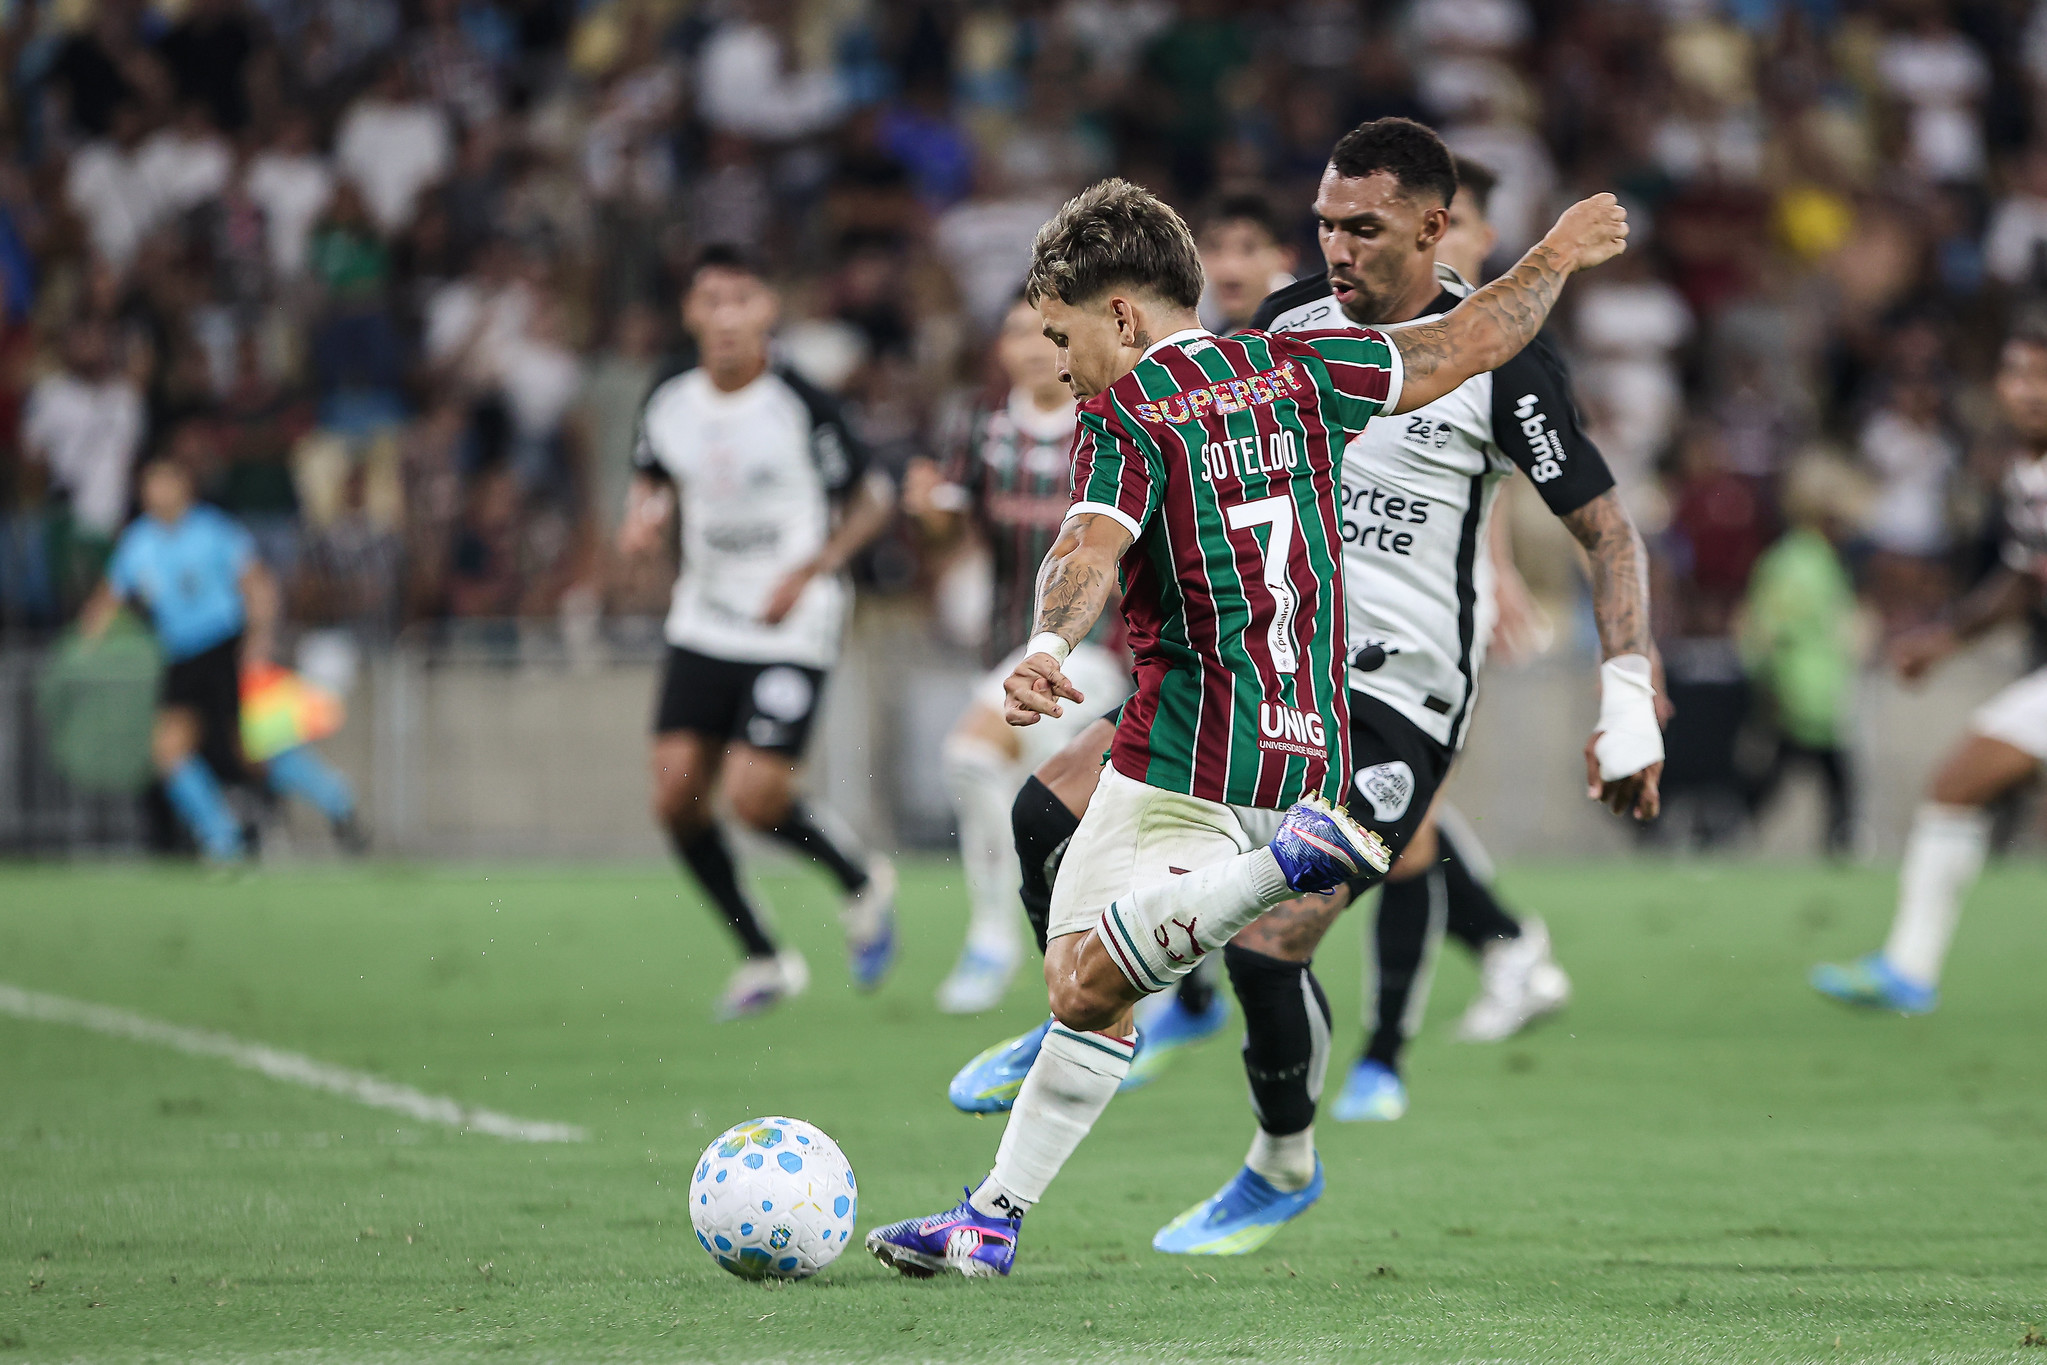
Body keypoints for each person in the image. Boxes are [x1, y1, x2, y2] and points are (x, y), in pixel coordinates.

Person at [867, 167, 1632, 1278]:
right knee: (1082, 980)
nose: (1057, 360)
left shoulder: (1122, 412)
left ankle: (1269, 884)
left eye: (1062, 333)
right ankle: (990, 1221)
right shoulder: (1294, 363)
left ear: (1122, 316)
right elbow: (1468, 340)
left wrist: (1040, 649)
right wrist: (1554, 256)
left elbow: (1085, 548)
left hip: (1191, 731)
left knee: (1107, 960)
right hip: (1302, 725)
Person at [618, 246, 898, 1022]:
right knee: (675, 798)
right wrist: (641, 517)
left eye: (743, 298)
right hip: (704, 616)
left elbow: (871, 499)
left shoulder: (800, 401)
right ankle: (765, 957)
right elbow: (651, 474)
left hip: (791, 620)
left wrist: (811, 571)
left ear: (768, 309)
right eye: (712, 300)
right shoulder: (670, 398)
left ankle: (860, 879)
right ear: (692, 315)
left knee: (753, 796)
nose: (728, 316)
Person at [1812, 320, 2047, 1013]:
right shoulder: (2022, 470)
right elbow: (2019, 578)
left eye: (2042, 376)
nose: (2028, 391)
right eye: (2016, 374)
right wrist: (1942, 639)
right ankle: (1907, 970)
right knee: (1954, 785)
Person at [908, 298, 1132, 1014]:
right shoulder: (980, 425)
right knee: (1034, 793)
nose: (1033, 347)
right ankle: (1090, 944)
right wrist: (926, 512)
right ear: (998, 348)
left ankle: (1007, 941)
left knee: (978, 757)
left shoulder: (1112, 416)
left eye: (1045, 332)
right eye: (1013, 332)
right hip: (1010, 647)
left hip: (1096, 648)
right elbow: (943, 534)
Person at [77, 456, 363, 861]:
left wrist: (259, 641)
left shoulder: (214, 531)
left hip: (224, 649)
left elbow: (258, 585)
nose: (153, 493)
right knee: (168, 749)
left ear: (183, 486)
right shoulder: (137, 542)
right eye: (147, 485)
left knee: (252, 750)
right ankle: (223, 838)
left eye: (161, 482)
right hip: (180, 660)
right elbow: (107, 601)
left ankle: (334, 797)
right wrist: (85, 644)